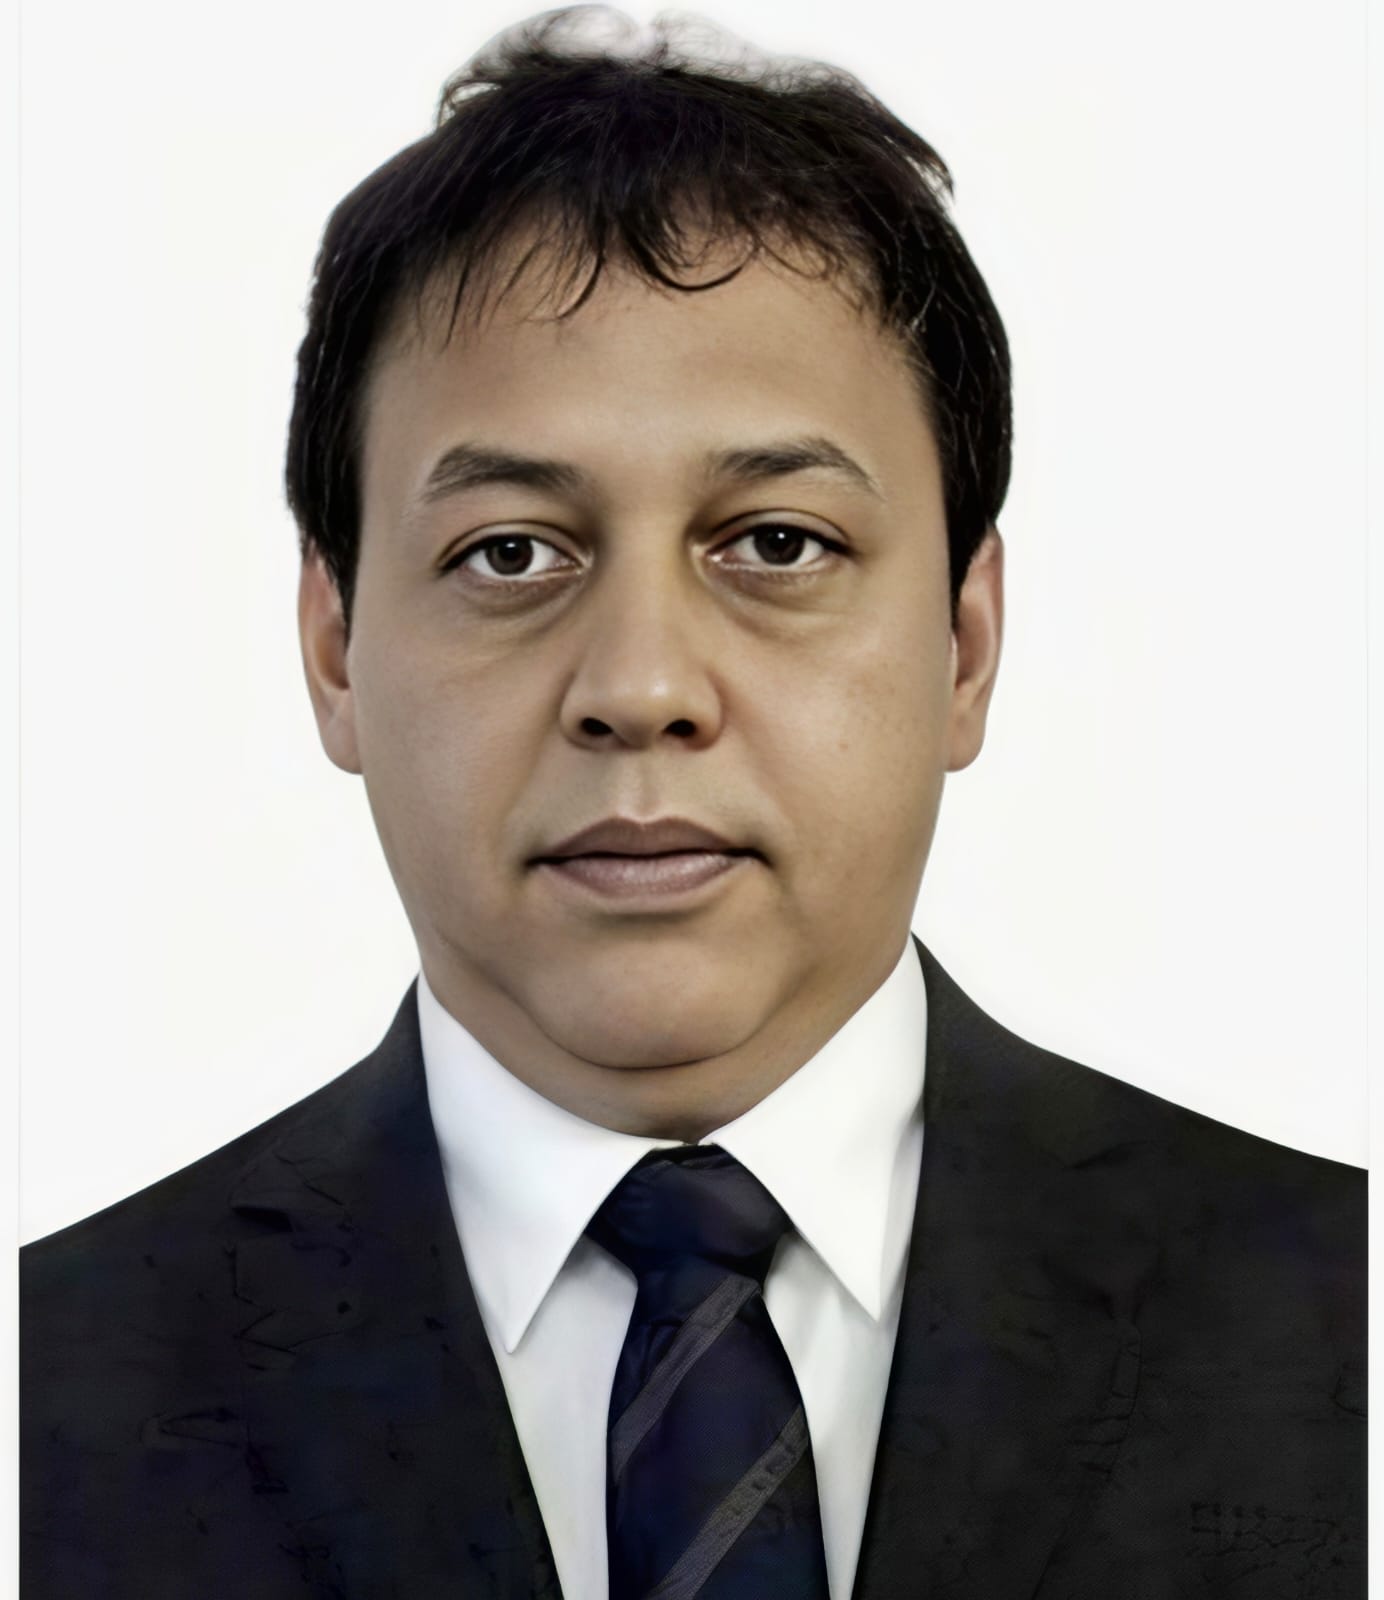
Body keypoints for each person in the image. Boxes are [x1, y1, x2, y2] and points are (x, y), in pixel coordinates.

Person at [20, 9, 1364, 1598]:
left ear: (964, 644)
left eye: (778, 543)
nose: (642, 684)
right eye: (510, 553)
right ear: (334, 650)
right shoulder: (46, 1393)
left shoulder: (1342, 1326)